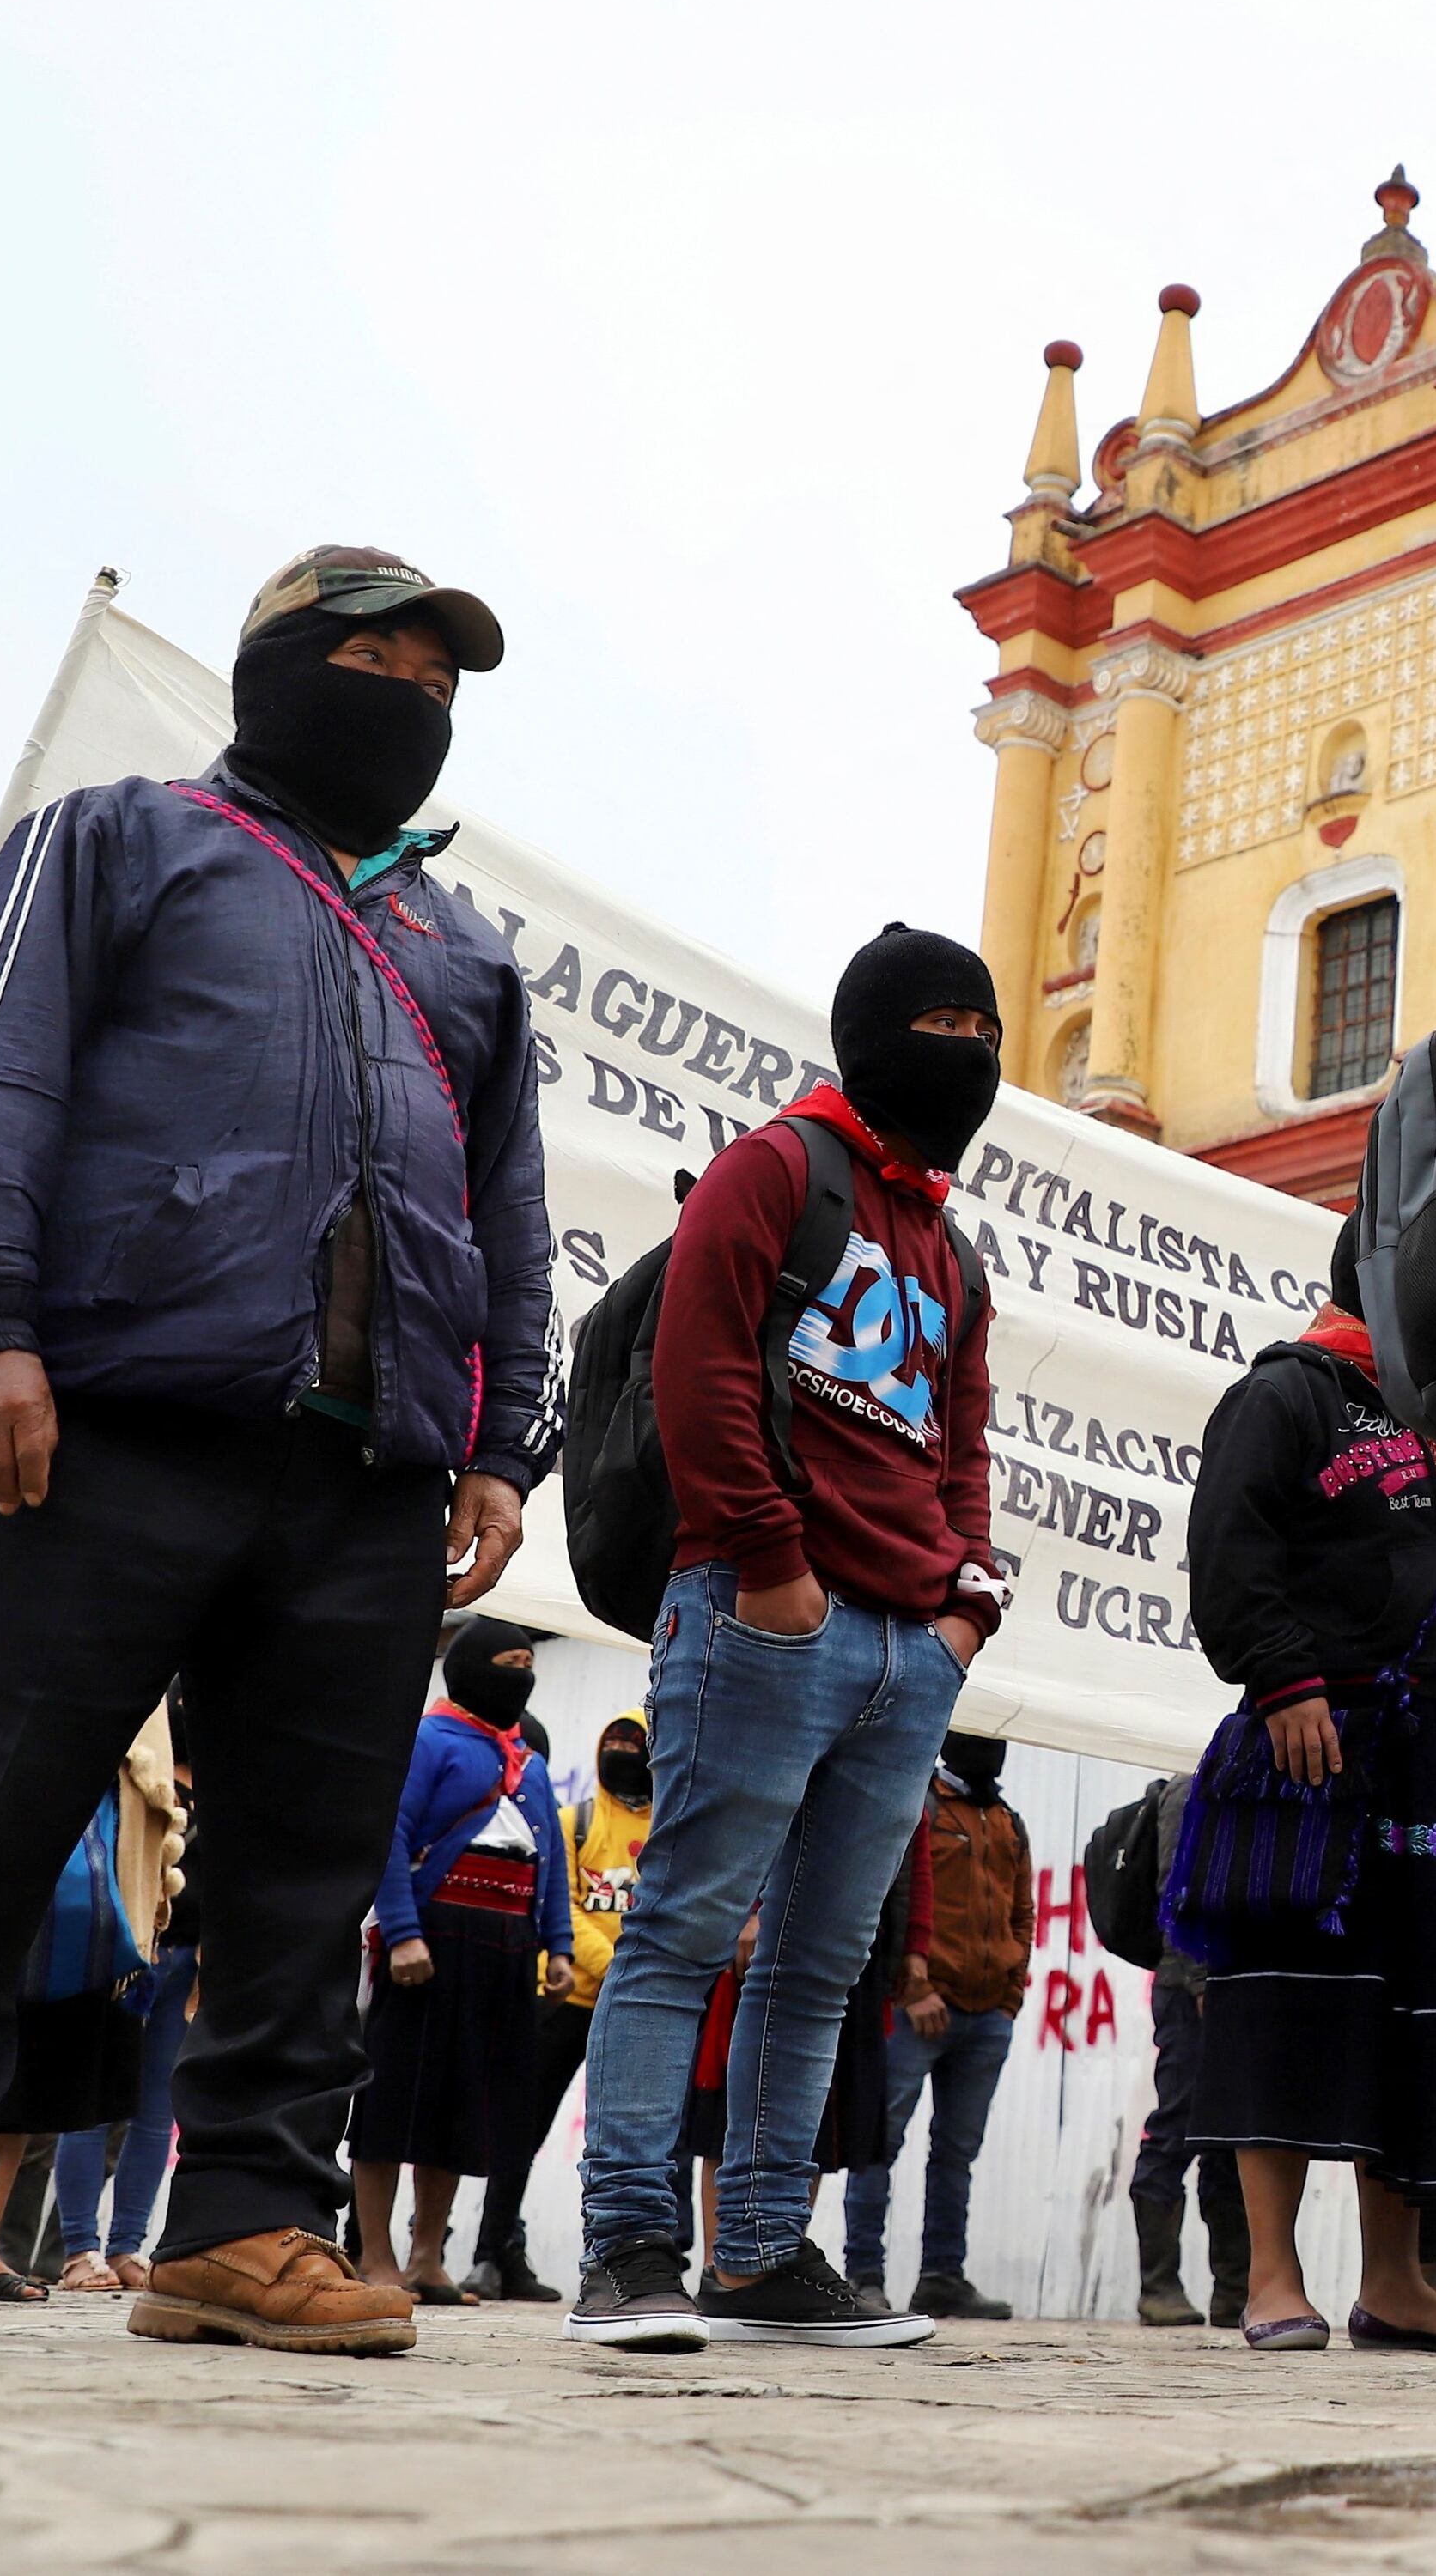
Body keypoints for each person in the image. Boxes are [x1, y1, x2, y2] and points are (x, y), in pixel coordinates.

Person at [0, 549, 554, 2358]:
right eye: (366, 656)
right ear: (271, 670)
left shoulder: (469, 951)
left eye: (437, 677)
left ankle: (250, 2221)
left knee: (305, 1862)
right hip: (100, 1413)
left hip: (371, 1464)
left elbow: (507, 1217)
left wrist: (506, 1441)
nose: (404, 694)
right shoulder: (121, 836)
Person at [564, 926, 1006, 2353]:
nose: (974, 1055)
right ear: (873, 1035)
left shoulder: (951, 1247)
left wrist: (962, 1606)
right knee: (688, 1922)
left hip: (906, 1645)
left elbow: (963, 1436)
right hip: (766, 1607)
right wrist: (766, 1557)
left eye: (988, 1030)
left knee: (823, 1962)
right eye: (944, 1023)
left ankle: (758, 2253)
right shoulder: (776, 1167)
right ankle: (628, 2247)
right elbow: (697, 1365)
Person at [1179, 1254, 1436, 2355]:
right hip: (1326, 1742)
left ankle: (1398, 2277)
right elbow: (1230, 1545)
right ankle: (1272, 2277)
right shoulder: (1291, 1391)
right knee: (1290, 2003)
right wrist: (1282, 1675)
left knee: (1430, 2019)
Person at [353, 1619, 573, 2301]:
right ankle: (374, 2255)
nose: (520, 1676)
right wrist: (404, 1931)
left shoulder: (528, 1763)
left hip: (504, 1947)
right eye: (507, 1663)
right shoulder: (429, 1740)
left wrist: (558, 1945)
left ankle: (427, 2256)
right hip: (433, 1939)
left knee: (459, 2105)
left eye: (527, 1665)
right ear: (473, 1668)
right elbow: (389, 1837)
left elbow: (551, 1862)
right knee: (395, 2101)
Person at [849, 1730, 1031, 2318]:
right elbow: (894, 1896)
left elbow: (1020, 1911)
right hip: (917, 2009)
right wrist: (914, 1985)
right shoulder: (919, 1802)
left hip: (986, 2019)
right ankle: (864, 2276)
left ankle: (942, 2277)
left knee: (957, 2153)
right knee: (879, 2144)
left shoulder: (1007, 1820)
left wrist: (1009, 1996)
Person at [473, 1705, 652, 2302]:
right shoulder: (574, 1822)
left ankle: (632, 2261)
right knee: (522, 2131)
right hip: (567, 2002)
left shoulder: (672, 1833)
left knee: (633, 2141)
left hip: (635, 2013)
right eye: (616, 1742)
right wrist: (617, 1965)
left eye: (637, 1744)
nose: (624, 1754)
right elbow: (562, 1904)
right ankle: (493, 2254)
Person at [52, 1707, 201, 2295]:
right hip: (129, 1951)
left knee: (157, 2110)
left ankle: (127, 2245)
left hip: (186, 1959)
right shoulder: (136, 1775)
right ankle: (79, 2248)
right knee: (90, 2101)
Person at [1115, 1771, 1253, 2330]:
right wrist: (1200, 1980)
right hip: (1192, 1987)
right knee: (1177, 2123)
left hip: (1236, 1985)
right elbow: (1179, 1884)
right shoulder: (1190, 1782)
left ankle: (1235, 2288)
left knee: (1232, 2137)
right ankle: (1159, 2285)